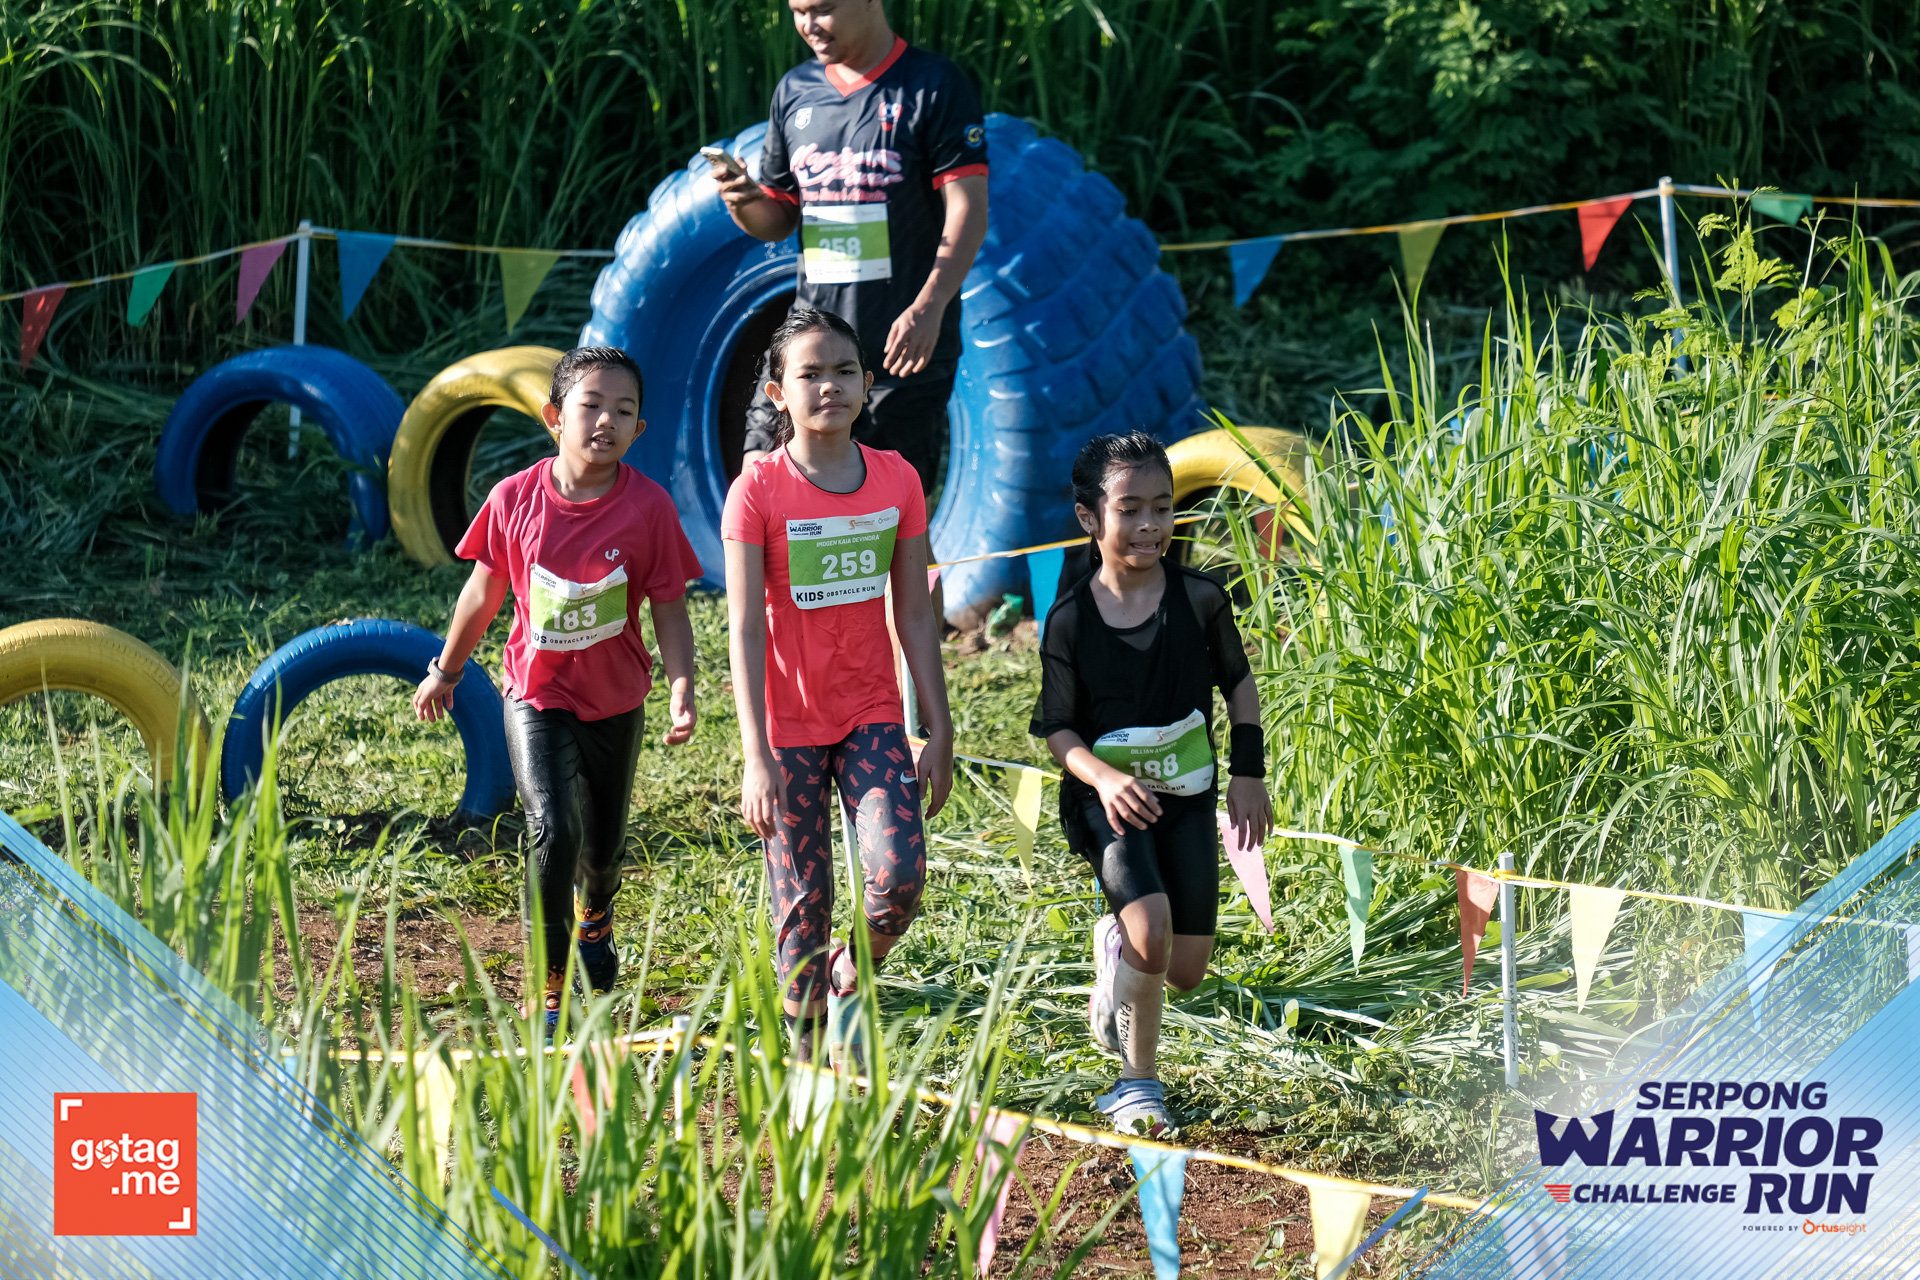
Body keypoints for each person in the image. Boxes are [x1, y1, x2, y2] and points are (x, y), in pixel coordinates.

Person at [413, 346, 702, 1036]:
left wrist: (682, 685)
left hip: (617, 700)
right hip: (535, 695)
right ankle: (550, 991)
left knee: (601, 851)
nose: (606, 420)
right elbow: (483, 593)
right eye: (591, 405)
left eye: (623, 411)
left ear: (639, 429)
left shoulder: (650, 508)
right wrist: (446, 670)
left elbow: (669, 607)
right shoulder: (513, 499)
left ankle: (595, 918)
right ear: (554, 417)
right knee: (552, 828)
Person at [722, 308, 954, 1067]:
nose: (830, 385)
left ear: (867, 383)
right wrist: (754, 756)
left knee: (899, 877)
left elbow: (913, 610)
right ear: (777, 393)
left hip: (871, 714)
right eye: (810, 373)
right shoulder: (756, 489)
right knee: (803, 905)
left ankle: (853, 968)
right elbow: (743, 629)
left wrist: (939, 726)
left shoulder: (897, 479)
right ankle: (807, 1061)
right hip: (787, 725)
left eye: (844, 370)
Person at [1030, 432, 1274, 1135]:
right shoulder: (1069, 620)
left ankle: (1118, 949)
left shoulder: (1202, 599)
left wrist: (1247, 773)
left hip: (1189, 798)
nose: (1149, 525)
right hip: (1106, 803)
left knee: (1185, 969)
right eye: (1130, 509)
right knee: (1152, 927)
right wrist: (1105, 779)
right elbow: (1057, 729)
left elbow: (1240, 686)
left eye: (1162, 508)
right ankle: (1136, 1085)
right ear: (1089, 518)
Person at [708, 0, 989, 494]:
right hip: (808, 341)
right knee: (760, 477)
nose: (808, 25)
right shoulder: (794, 90)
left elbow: (969, 209)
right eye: (798, 11)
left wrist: (931, 306)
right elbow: (776, 220)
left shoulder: (934, 84)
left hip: (901, 351)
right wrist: (743, 200)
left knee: (891, 514)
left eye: (822, 9)